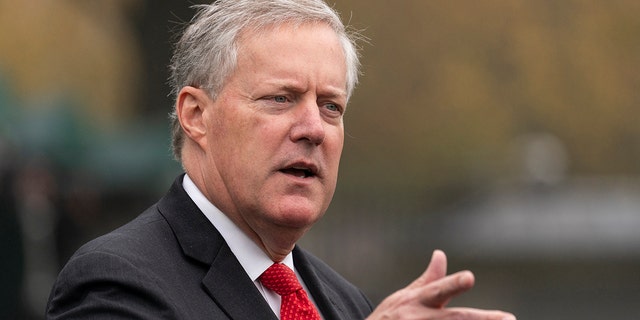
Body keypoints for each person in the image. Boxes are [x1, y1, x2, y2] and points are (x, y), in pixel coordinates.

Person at [46, 0, 516, 319]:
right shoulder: (115, 284)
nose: (313, 128)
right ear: (196, 116)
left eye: (331, 106)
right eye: (280, 99)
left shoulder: (344, 302)